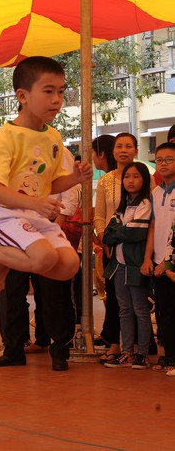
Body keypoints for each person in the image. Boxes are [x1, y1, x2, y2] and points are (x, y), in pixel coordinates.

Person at [0, 56, 92, 295]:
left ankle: (5, 260)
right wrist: (36, 203)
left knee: (69, 265)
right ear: (22, 96)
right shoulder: (3, 138)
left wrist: (75, 178)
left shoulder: (53, 137)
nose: (56, 100)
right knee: (44, 258)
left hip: (30, 213)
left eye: (60, 91)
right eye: (48, 91)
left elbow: (51, 184)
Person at [94, 133, 153, 363]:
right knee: (117, 302)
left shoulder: (146, 179)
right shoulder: (106, 180)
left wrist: (115, 235)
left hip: (137, 251)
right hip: (111, 250)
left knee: (140, 303)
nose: (123, 150)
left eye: (129, 146)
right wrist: (103, 239)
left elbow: (147, 220)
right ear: (113, 151)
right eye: (119, 146)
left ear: (136, 150)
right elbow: (100, 216)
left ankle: (141, 349)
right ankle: (118, 346)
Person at [143, 142, 175, 373]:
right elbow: (153, 226)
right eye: (159, 160)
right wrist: (149, 258)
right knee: (164, 310)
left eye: (169, 159)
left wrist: (168, 261)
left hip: (172, 261)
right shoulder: (155, 192)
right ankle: (169, 357)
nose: (163, 164)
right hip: (157, 262)